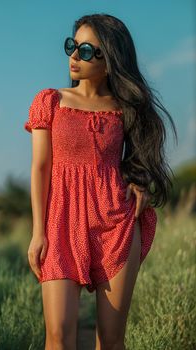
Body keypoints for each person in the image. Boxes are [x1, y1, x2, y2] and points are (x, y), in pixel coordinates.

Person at [24, 13, 177, 350]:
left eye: (86, 51)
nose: (74, 57)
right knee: (58, 338)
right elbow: (40, 168)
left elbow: (139, 160)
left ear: (110, 62)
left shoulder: (126, 109)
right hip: (60, 224)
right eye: (72, 46)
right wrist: (38, 233)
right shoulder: (49, 101)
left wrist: (140, 183)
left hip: (115, 226)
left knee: (110, 341)